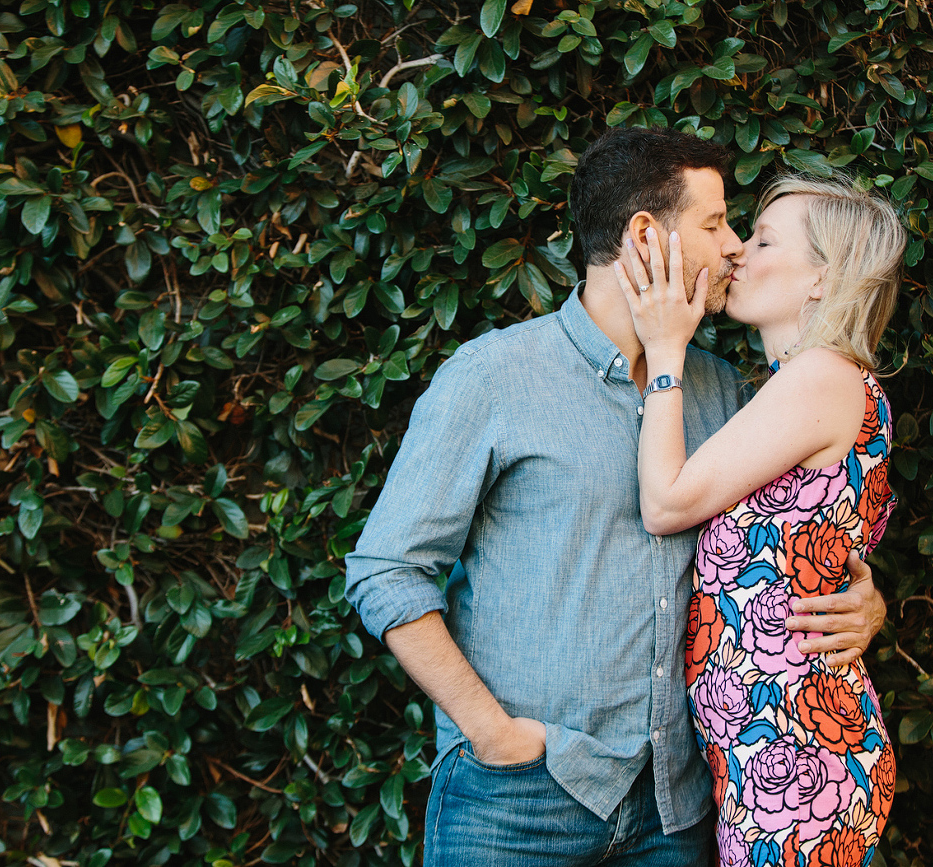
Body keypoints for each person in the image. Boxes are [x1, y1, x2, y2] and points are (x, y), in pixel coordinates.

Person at [344, 128, 888, 866]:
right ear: (643, 234)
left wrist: (857, 597)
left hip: (676, 802)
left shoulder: (722, 390)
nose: (732, 246)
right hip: (519, 798)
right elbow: (385, 569)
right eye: (714, 223)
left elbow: (791, 529)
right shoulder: (494, 376)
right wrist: (492, 733)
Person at [614, 172, 905, 866]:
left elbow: (664, 502)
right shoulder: (801, 385)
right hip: (776, 753)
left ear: (821, 279)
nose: (738, 250)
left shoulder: (822, 376)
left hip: (800, 759)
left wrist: (664, 350)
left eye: (765, 239)